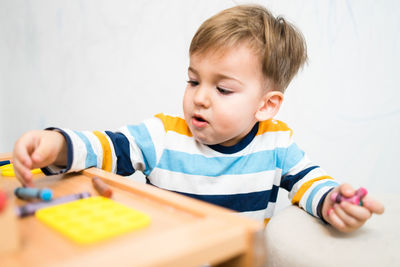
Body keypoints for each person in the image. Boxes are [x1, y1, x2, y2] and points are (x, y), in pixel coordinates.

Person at [12, 4, 383, 232]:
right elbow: (107, 146)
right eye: (193, 80)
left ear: (266, 106)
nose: (199, 97)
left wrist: (335, 200)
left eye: (223, 89)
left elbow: (311, 184)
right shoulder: (163, 136)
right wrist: (57, 145)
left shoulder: (278, 145)